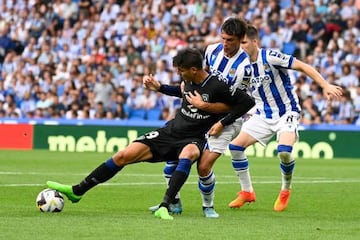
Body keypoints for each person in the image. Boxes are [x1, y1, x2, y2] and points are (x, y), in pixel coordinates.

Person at [46, 48, 255, 220]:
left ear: (194, 69)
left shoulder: (217, 85)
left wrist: (221, 122)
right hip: (169, 132)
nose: (179, 74)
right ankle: (77, 191)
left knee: (189, 154)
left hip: (193, 138)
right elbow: (180, 91)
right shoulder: (188, 81)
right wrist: (159, 88)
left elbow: (247, 102)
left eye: (182, 71)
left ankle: (166, 204)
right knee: (123, 156)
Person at [226, 25, 343, 211]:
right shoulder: (241, 66)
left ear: (255, 42)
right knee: (235, 147)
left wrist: (325, 85)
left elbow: (303, 66)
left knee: (284, 151)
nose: (241, 47)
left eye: (244, 42)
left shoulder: (271, 56)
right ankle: (247, 192)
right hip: (262, 114)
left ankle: (285, 190)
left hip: (286, 112)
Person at [149, 17, 254, 218]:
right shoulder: (212, 51)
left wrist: (220, 122)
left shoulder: (244, 68)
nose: (225, 43)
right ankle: (173, 202)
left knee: (203, 166)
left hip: (228, 120)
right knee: (171, 163)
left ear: (241, 39)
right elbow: (196, 85)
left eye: (230, 40)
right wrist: (162, 88)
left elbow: (239, 104)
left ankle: (208, 207)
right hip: (201, 118)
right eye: (223, 38)